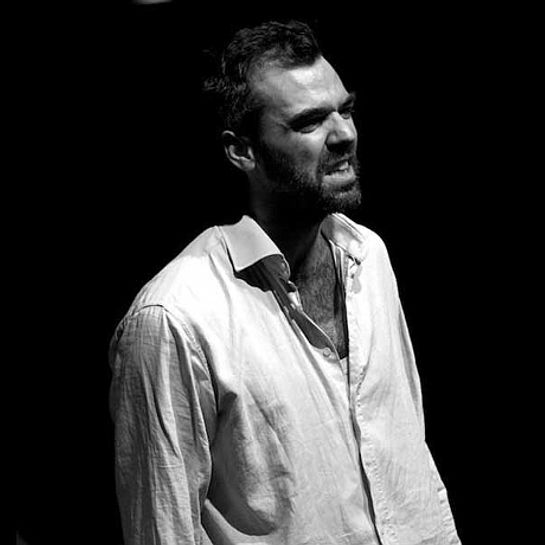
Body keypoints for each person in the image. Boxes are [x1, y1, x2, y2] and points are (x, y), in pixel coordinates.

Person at [109, 20, 461, 545]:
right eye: (309, 121)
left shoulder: (368, 256)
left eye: (345, 110)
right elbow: (162, 529)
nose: (344, 135)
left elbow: (408, 460)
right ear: (243, 151)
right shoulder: (175, 319)